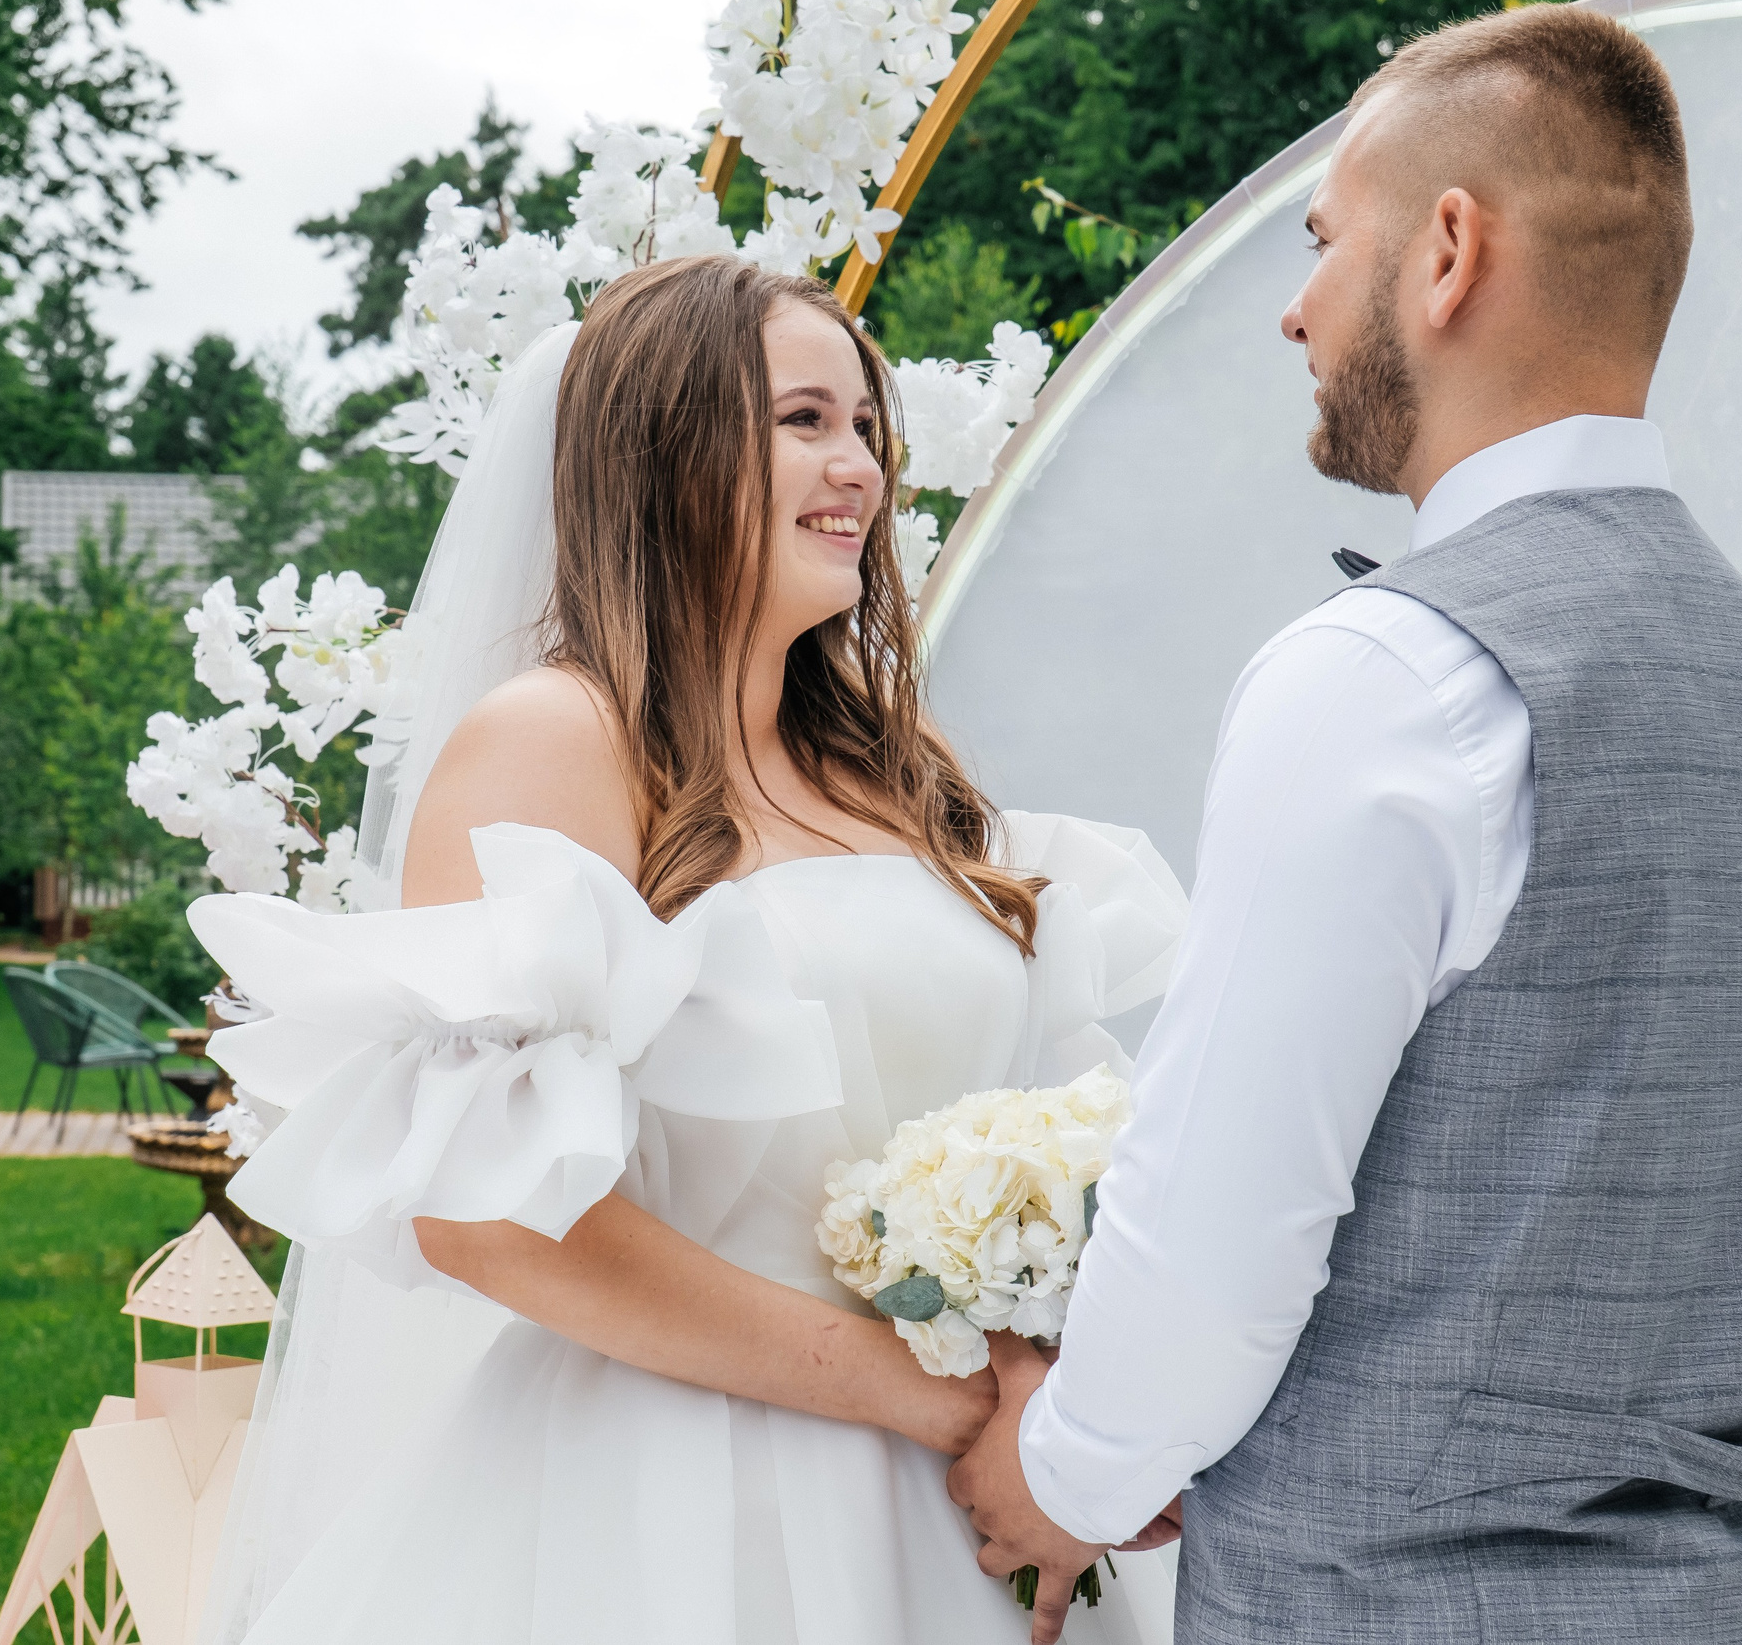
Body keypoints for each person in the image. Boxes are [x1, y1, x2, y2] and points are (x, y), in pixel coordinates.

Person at [948, 3, 1742, 1645]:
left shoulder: (1385, 676)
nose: (1296, 310)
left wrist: (1065, 1474)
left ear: (1448, 252)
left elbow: (1220, 1241)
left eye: (1322, 243)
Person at [185, 256, 1188, 1644]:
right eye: (804, 422)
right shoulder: (553, 741)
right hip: (679, 1506)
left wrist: (1045, 1386)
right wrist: (932, 1392)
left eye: (867, 427)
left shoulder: (900, 773)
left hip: (975, 1486)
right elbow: (485, 1221)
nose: (861, 471)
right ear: (663, 452)